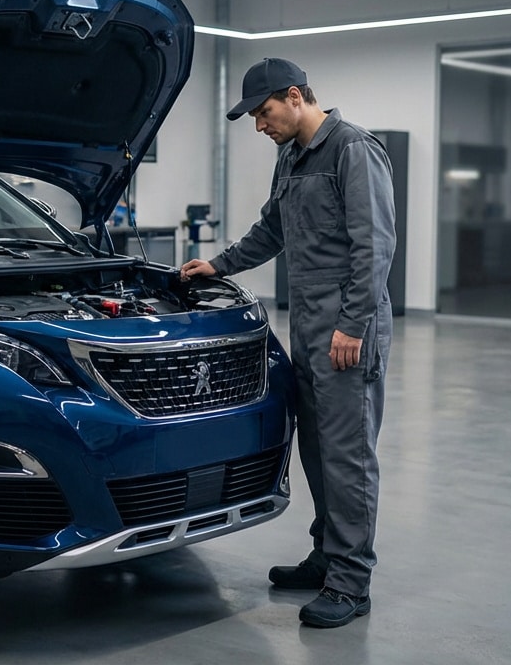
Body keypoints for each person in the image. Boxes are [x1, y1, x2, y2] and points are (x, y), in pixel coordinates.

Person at [181, 57, 395, 629]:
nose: (259, 125)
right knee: (318, 452)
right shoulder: (291, 156)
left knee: (348, 458)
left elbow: (374, 248)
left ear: (295, 95)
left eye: (263, 112)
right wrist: (219, 265)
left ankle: (351, 584)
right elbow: (272, 229)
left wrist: (353, 324)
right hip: (307, 327)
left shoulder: (353, 150)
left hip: (348, 332)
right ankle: (327, 556)